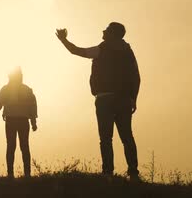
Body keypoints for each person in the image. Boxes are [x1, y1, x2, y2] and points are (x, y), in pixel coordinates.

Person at [55, 22, 141, 179]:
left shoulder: (101, 50)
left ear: (113, 34)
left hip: (104, 100)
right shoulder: (128, 52)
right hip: (123, 100)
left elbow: (76, 51)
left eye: (107, 30)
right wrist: (133, 99)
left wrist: (63, 40)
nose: (103, 31)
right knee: (127, 137)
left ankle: (108, 173)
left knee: (106, 138)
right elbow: (136, 77)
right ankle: (133, 172)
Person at [0, 67, 38, 178]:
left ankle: (11, 174)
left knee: (12, 147)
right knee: (23, 146)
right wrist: (33, 122)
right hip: (21, 121)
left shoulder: (6, 89)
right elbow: (32, 107)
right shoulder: (26, 90)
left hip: (12, 121)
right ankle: (26, 175)